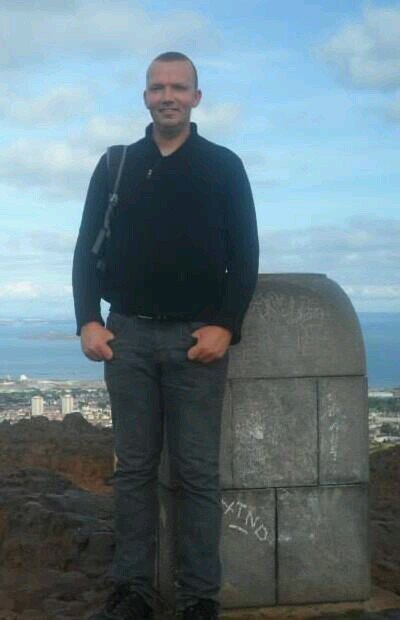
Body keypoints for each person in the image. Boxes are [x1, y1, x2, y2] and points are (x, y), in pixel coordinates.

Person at [72, 51, 259, 620]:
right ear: (145, 96)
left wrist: (227, 325)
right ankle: (133, 592)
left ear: (197, 98)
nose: (168, 96)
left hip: (195, 342)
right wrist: (88, 319)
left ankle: (200, 598)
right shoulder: (117, 164)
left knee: (197, 474)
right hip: (127, 336)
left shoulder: (223, 165)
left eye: (179, 87)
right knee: (133, 471)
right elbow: (85, 248)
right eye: (158, 87)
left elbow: (245, 253)